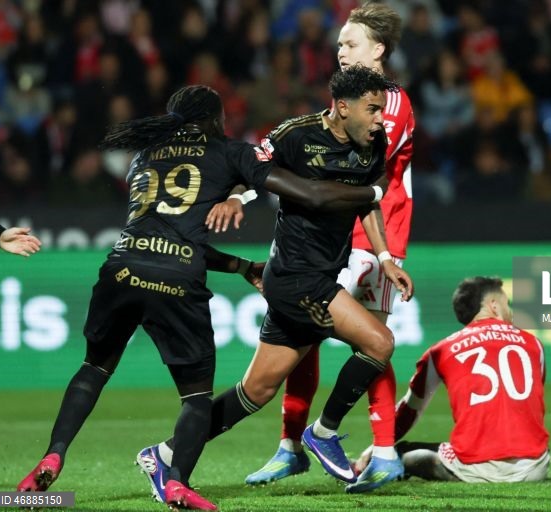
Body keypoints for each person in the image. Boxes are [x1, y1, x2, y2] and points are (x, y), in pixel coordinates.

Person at [16, 84, 389, 511]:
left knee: (94, 369)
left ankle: (56, 452)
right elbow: (314, 194)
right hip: (181, 280)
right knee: (195, 398)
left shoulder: (143, 158)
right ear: (215, 120)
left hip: (121, 267)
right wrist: (377, 191)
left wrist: (240, 263)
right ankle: (178, 480)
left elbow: (166, 231)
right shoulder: (229, 152)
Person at [136, 65, 413, 500]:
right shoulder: (295, 135)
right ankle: (323, 432)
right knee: (379, 343)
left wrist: (383, 256)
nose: (381, 119)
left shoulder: (370, 143)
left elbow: (367, 205)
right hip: (295, 277)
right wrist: (233, 196)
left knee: (256, 391)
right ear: (342, 107)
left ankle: (166, 454)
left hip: (320, 274)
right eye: (373, 109)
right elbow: (250, 168)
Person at [243, 2, 416, 493]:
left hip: (374, 231)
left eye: (350, 42)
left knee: (372, 339)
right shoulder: (343, 103)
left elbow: (365, 168)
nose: (339, 50)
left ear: (377, 49)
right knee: (307, 331)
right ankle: (291, 446)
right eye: (339, 43)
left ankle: (382, 452)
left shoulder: (391, 105)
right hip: (334, 234)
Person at [357, 276, 550, 483]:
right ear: (494, 306)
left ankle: (369, 464)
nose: (511, 312)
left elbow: (410, 410)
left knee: (400, 452)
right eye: (507, 304)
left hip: (476, 469)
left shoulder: (441, 351)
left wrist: (377, 447)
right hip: (535, 467)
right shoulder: (534, 344)